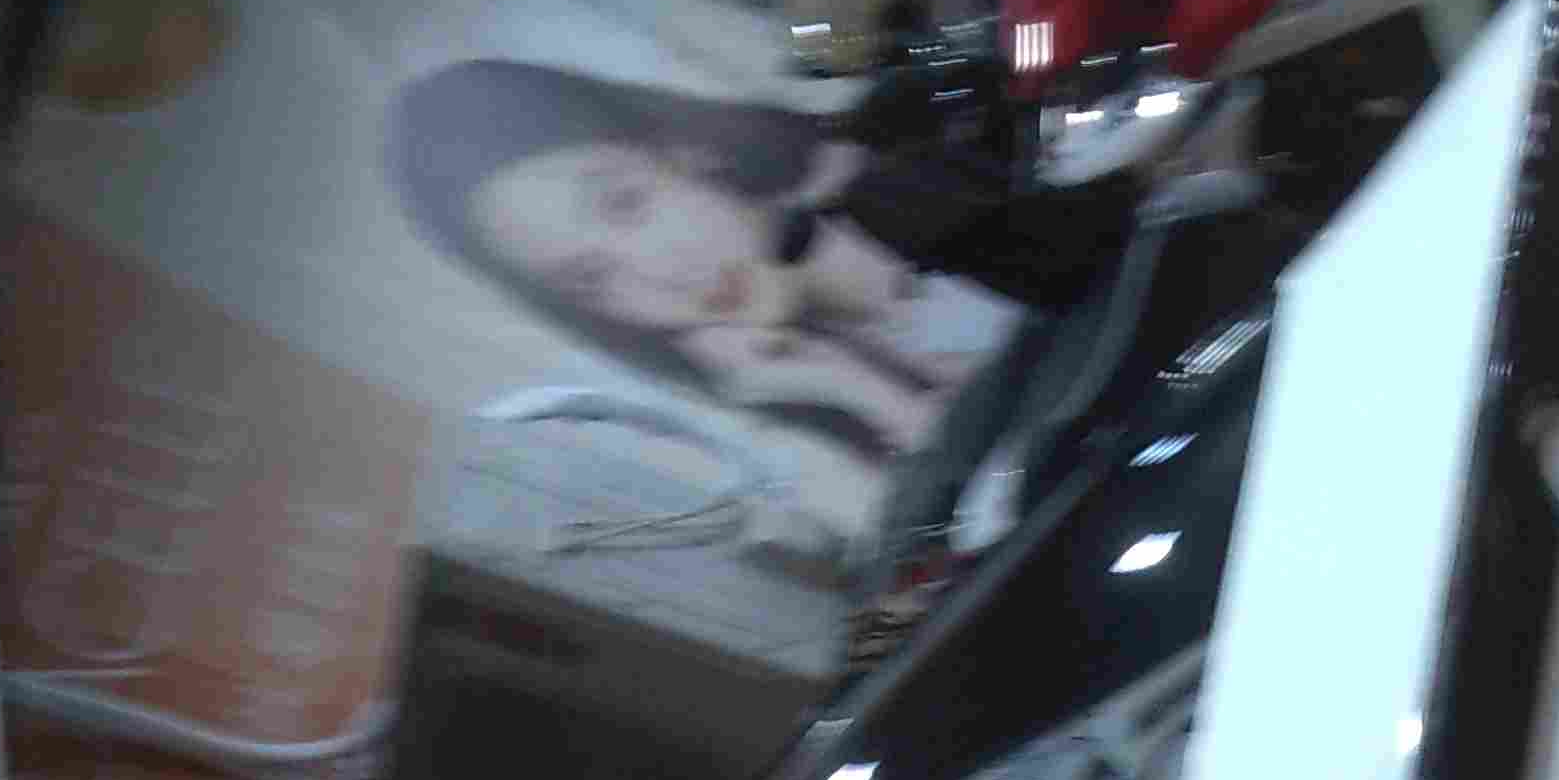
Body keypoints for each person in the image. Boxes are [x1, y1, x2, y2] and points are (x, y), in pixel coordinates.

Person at [388, 59, 1098, 465]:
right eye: (593, 278)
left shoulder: (915, 148)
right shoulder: (788, 365)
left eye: (626, 203)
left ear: (682, 152)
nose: (662, 276)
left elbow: (1116, 279)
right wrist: (849, 384)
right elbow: (1028, 482)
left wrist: (882, 284)